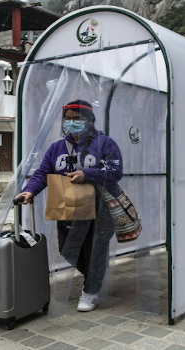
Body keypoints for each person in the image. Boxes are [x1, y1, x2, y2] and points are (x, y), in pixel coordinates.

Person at [15, 100, 123, 312]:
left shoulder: (105, 144)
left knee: (95, 250)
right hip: (68, 208)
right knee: (68, 249)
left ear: (89, 121)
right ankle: (96, 274)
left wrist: (87, 174)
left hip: (100, 210)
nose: (72, 123)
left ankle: (91, 291)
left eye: (77, 119)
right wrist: (30, 190)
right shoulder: (56, 148)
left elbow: (115, 172)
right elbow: (43, 173)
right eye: (68, 118)